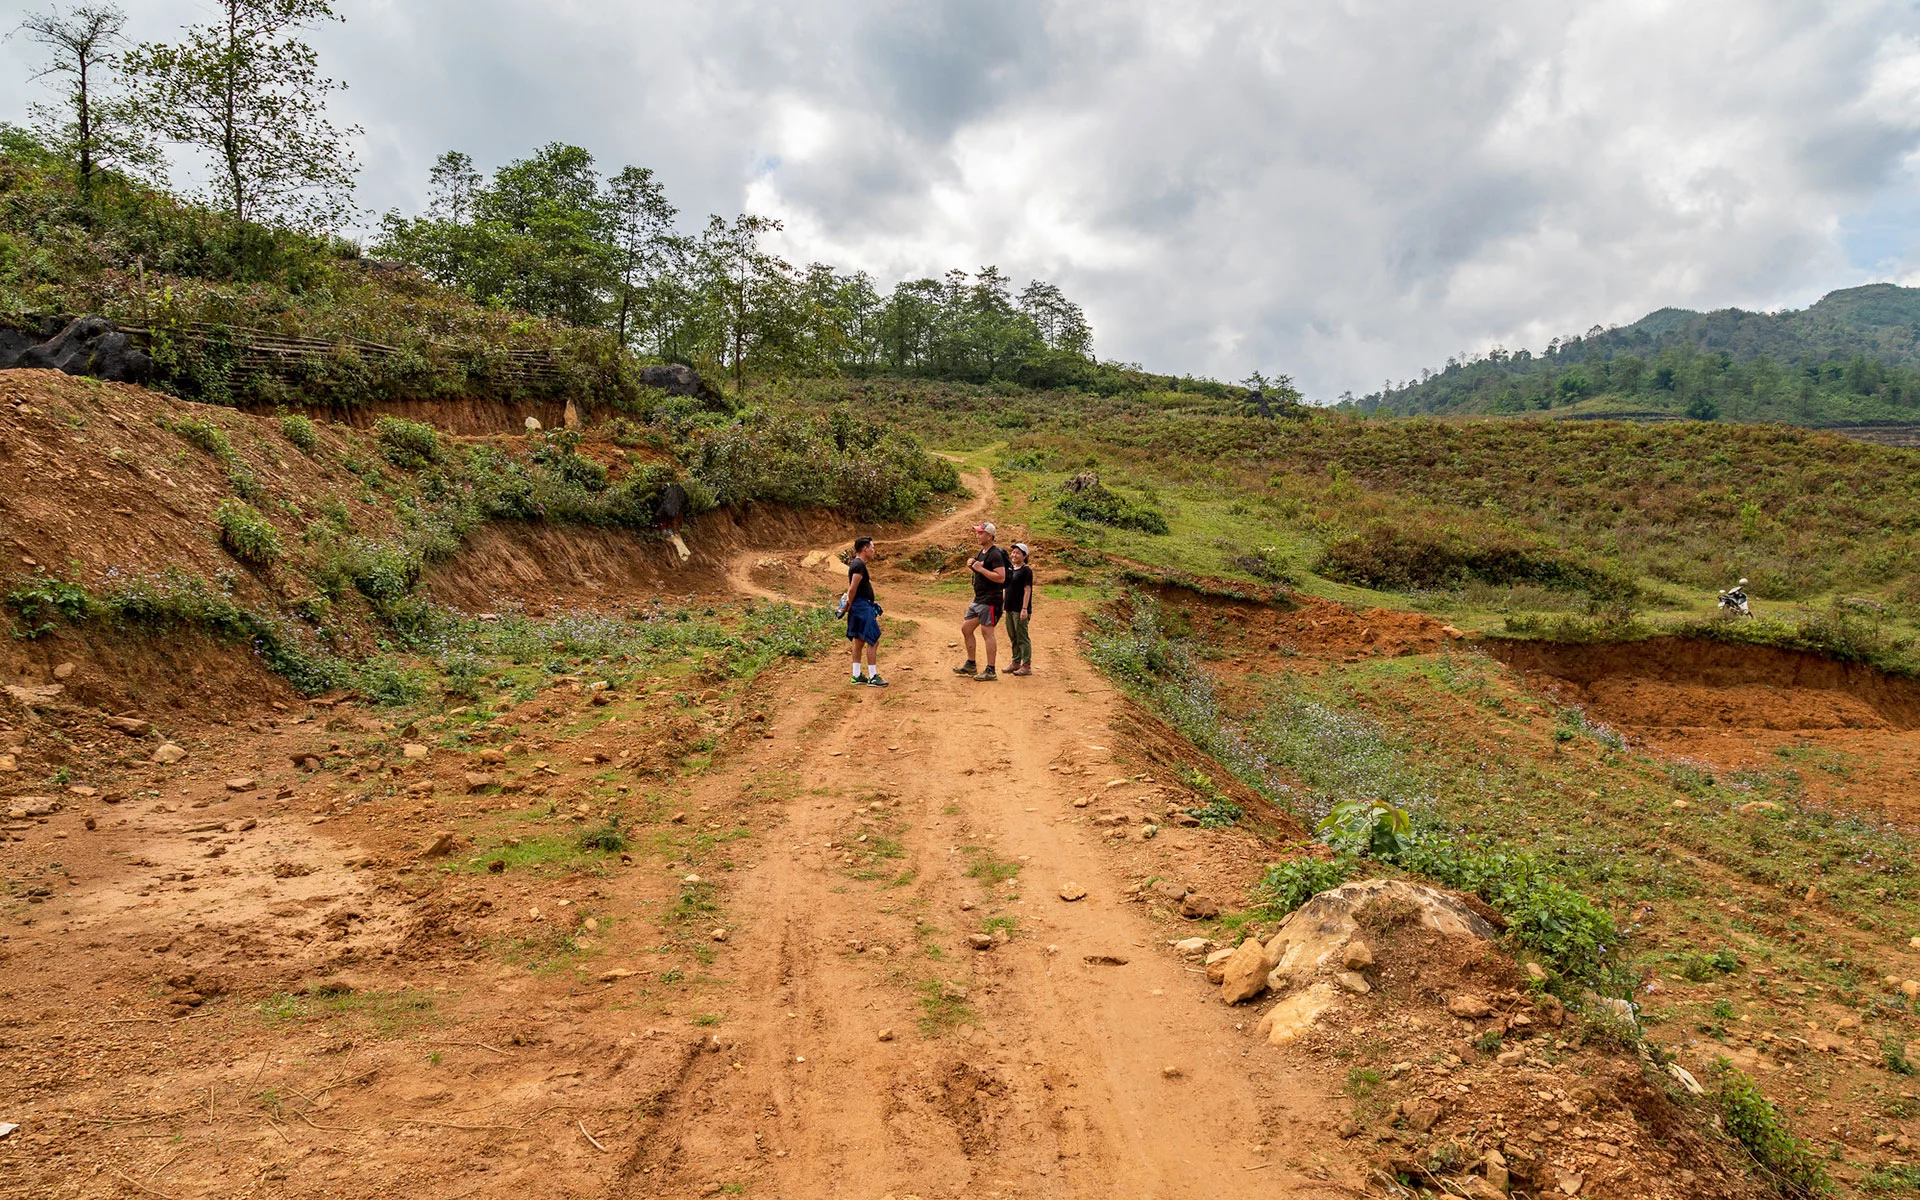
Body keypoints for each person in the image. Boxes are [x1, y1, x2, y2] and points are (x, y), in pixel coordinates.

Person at [953, 521, 1008, 681]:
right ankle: (971, 664)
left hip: (991, 600)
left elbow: (1001, 577)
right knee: (966, 628)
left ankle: (990, 670)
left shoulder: (995, 553)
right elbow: (982, 568)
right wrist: (974, 565)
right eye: (977, 533)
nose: (978, 536)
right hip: (979, 599)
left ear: (990, 536)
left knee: (987, 632)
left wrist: (980, 568)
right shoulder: (983, 553)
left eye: (980, 533)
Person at [838, 536, 887, 687]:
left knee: (859, 640)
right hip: (862, 606)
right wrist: (848, 604)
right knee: (873, 639)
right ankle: (873, 676)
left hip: (858, 606)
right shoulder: (859, 566)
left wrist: (848, 606)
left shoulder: (855, 564)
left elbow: (852, 589)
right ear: (865, 548)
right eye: (872, 548)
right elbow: (852, 588)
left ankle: (856, 674)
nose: (873, 551)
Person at [1002, 543, 1035, 675]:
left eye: (1017, 553)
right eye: (1013, 552)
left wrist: (1024, 609)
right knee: (1013, 636)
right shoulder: (1010, 569)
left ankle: (1026, 665)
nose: (1014, 555)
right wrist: (1001, 603)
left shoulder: (1026, 571)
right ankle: (1015, 662)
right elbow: (1005, 588)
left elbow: (1027, 590)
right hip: (1009, 608)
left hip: (1019, 609)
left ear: (1024, 556)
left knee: (1022, 637)